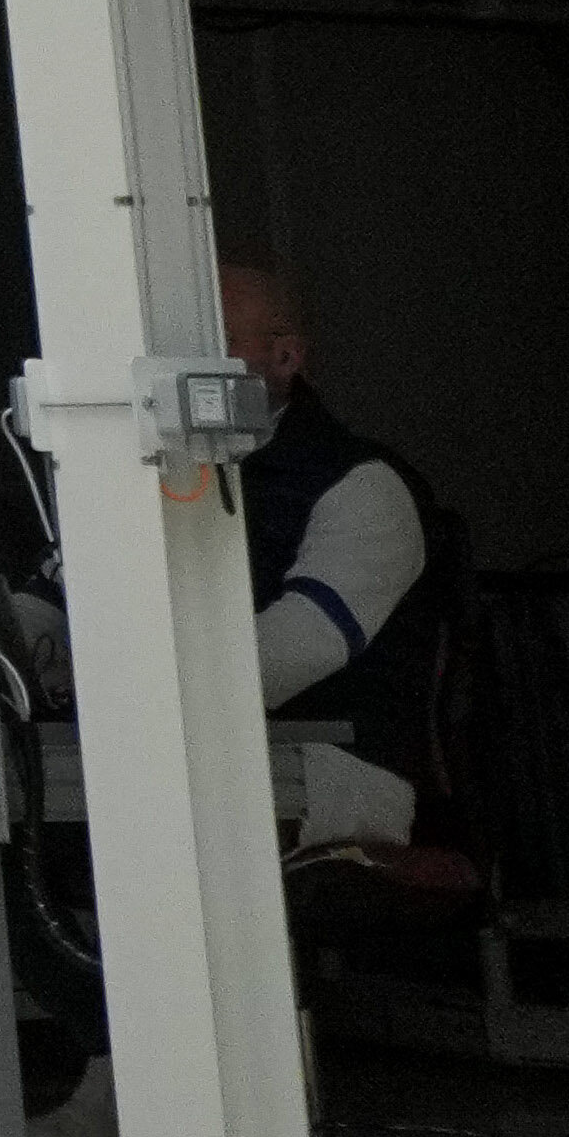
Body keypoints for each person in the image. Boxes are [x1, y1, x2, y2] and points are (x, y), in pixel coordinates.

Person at [217, 255, 447, 862]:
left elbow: (269, 667)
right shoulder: (145, 485)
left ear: (285, 357)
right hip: (204, 774)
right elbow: (37, 624)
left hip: (337, 790)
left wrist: (97, 687)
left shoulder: (364, 485)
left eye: (212, 339)